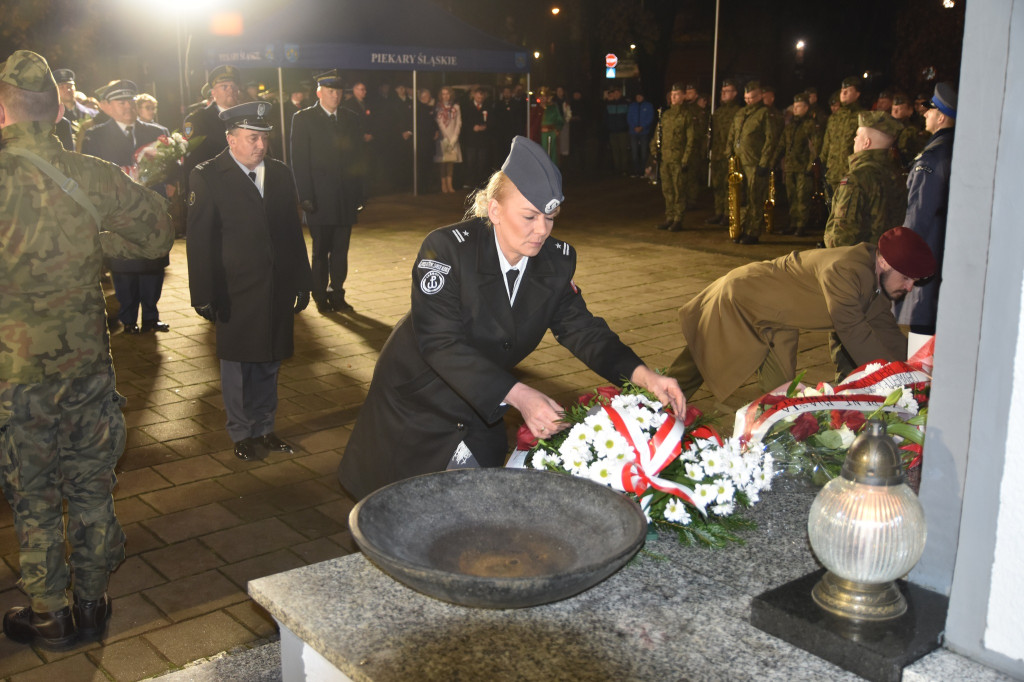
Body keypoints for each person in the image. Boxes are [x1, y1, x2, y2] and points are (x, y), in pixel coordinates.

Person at [337, 136, 685, 500]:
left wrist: (642, 375)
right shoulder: (446, 251)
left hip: (481, 406)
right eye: (530, 216)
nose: (542, 231)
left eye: (550, 218)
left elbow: (582, 330)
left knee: (476, 519)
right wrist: (519, 394)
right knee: (396, 518)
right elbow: (440, 344)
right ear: (494, 209)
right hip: (419, 407)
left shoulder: (554, 261)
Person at [0, 50, 173, 649]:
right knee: (92, 485)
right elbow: (156, 231)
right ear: (57, 108)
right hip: (86, 371)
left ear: (3, 110)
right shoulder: (90, 173)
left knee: (35, 492)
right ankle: (94, 603)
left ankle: (49, 611)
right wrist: (94, 237)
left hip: (14, 374)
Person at [666, 227, 936, 402]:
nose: (909, 287)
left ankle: (765, 446)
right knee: (695, 363)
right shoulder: (846, 271)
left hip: (776, 322)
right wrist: (895, 381)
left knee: (780, 395)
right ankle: (651, 411)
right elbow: (854, 332)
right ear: (885, 262)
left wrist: (916, 370)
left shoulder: (873, 276)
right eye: (906, 278)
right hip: (741, 299)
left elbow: (884, 329)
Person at [186, 102, 313, 462]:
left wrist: (302, 281)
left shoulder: (279, 173)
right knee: (238, 364)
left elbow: (291, 231)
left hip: (275, 285)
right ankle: (241, 432)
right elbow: (199, 241)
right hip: (234, 288)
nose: (260, 145)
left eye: (264, 138)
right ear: (231, 139)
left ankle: (265, 428)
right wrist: (203, 293)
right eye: (252, 137)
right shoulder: (208, 175)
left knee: (270, 359)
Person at [81, 79, 172, 334]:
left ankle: (152, 317)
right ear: (107, 106)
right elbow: (92, 174)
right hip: (118, 213)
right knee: (123, 264)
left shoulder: (157, 131)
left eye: (131, 101)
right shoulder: (96, 136)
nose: (127, 107)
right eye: (121, 102)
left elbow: (172, 167)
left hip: (151, 211)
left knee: (153, 262)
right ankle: (128, 317)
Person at [290, 69, 360, 313]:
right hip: (319, 198)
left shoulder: (350, 118)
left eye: (339, 92)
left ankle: (337, 292)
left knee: (341, 250)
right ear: (319, 93)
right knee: (320, 250)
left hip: (345, 198)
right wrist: (305, 196)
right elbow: (299, 160)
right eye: (330, 91)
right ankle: (319, 293)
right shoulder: (304, 119)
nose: (335, 96)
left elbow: (359, 159)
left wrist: (359, 195)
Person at [896, 83, 957, 356]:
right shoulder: (957, 148)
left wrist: (903, 259)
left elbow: (918, 216)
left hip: (928, 253)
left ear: (941, 117)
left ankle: (921, 394)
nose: (925, 114)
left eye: (930, 109)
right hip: (948, 254)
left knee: (922, 329)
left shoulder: (933, 157)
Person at [823, 111, 907, 248]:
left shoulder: (857, 178)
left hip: (858, 261)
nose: (854, 139)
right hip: (885, 257)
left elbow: (842, 237)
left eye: (857, 135)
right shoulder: (895, 174)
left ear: (866, 143)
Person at [726, 80, 776, 245]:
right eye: (746, 97)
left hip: (755, 162)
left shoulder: (764, 114)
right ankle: (741, 229)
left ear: (760, 95)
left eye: (752, 97)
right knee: (742, 197)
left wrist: (764, 162)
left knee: (755, 197)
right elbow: (733, 133)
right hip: (740, 162)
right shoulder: (741, 113)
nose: (748, 100)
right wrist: (730, 153)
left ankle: (753, 232)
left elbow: (770, 139)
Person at [653, 83, 698, 233]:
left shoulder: (687, 115)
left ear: (683, 96)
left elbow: (691, 139)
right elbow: (658, 134)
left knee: (679, 190)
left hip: (678, 159)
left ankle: (678, 218)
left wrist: (686, 159)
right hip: (665, 158)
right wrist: (654, 150)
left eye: (677, 94)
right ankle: (670, 217)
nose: (673, 97)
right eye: (672, 95)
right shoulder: (666, 114)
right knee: (667, 190)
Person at [183, 65, 241, 176]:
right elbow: (193, 161)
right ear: (213, 92)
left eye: (233, 86)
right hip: (215, 182)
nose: (230, 90)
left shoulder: (249, 116)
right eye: (224, 87)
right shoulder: (198, 119)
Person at [779, 92, 822, 236]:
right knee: (792, 197)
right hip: (790, 166)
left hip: (803, 167)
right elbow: (782, 144)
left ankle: (801, 225)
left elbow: (815, 147)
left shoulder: (811, 125)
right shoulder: (791, 125)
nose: (795, 109)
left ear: (806, 108)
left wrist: (810, 166)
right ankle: (793, 223)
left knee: (802, 197)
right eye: (795, 106)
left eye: (799, 106)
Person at [820, 76, 865, 197]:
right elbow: (827, 143)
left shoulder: (863, 117)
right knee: (831, 212)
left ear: (857, 94)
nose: (843, 93)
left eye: (848, 90)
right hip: (832, 173)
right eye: (842, 90)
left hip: (850, 174)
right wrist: (822, 164)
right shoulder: (834, 117)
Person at [706, 79, 742, 225]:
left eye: (727, 91)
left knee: (729, 186)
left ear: (734, 94)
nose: (723, 94)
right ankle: (719, 211)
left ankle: (729, 213)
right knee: (717, 185)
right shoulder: (718, 112)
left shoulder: (738, 112)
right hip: (717, 153)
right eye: (722, 91)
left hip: (730, 154)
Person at [433, 85, 461, 194]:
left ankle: (450, 184)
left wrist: (454, 138)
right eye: (443, 94)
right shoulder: (437, 107)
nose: (445, 96)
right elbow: (437, 123)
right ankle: (443, 184)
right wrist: (443, 136)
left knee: (450, 161)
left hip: (453, 137)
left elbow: (459, 123)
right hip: (441, 138)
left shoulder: (456, 107)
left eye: (447, 94)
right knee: (442, 162)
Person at [627, 92, 654, 177]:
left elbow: (650, 117)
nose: (638, 98)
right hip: (633, 132)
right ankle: (636, 170)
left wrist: (643, 127)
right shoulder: (632, 106)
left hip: (644, 132)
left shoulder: (648, 106)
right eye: (637, 96)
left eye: (640, 96)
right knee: (634, 152)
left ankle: (643, 170)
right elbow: (629, 117)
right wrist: (634, 127)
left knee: (643, 152)